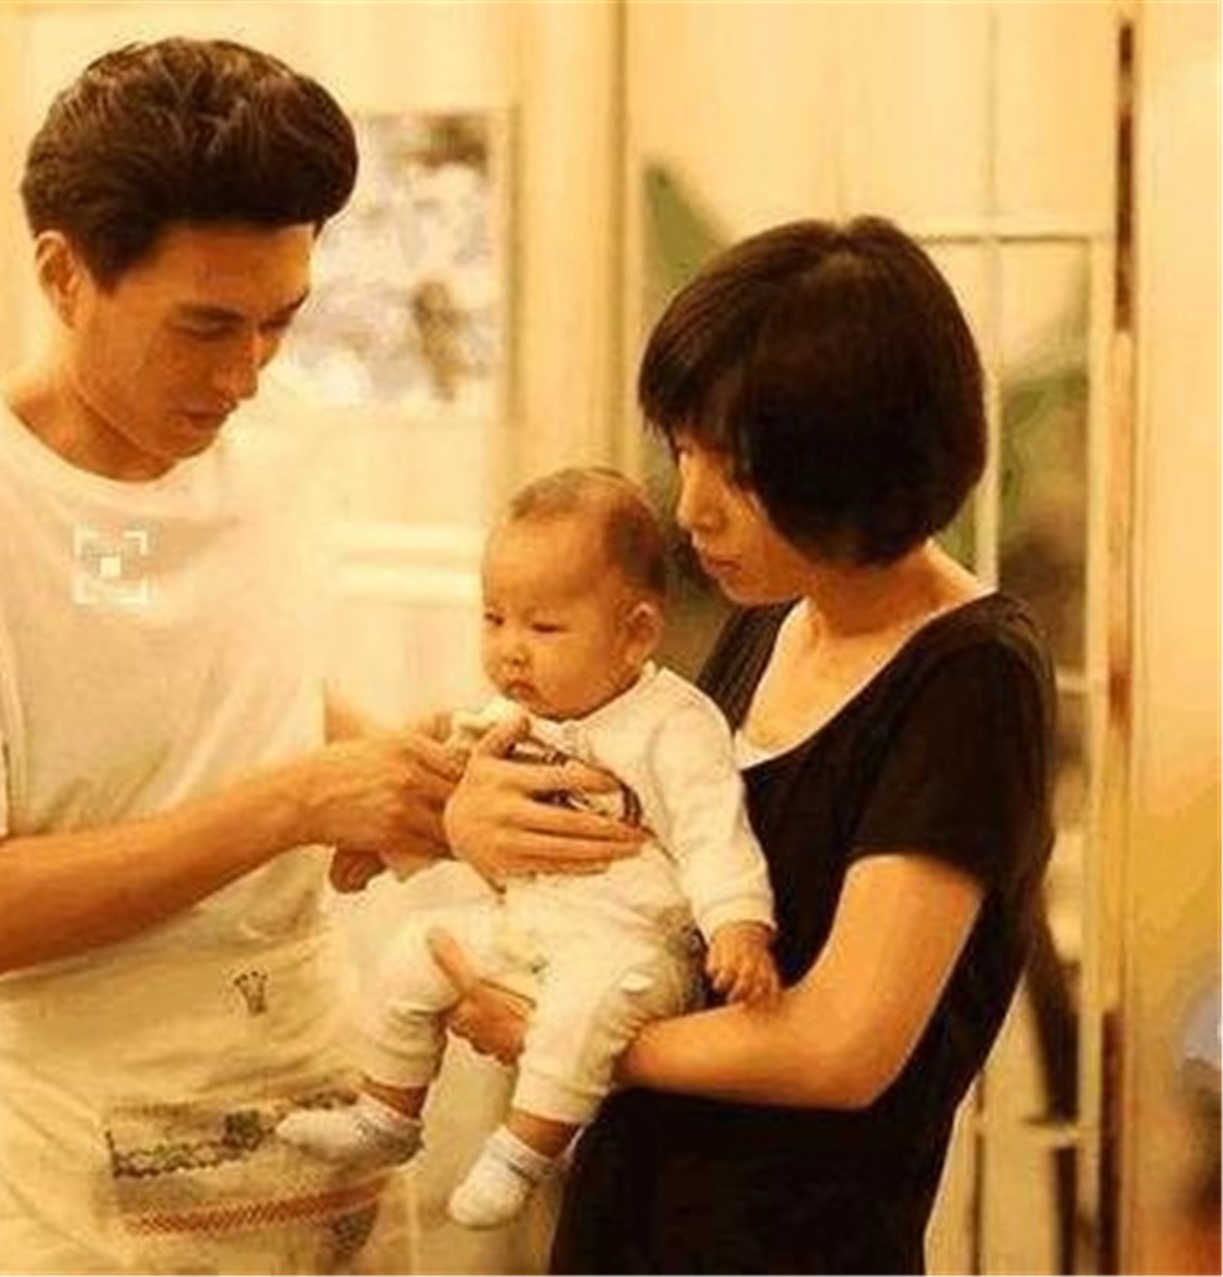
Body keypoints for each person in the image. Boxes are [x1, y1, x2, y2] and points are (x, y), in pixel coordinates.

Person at [0, 38, 636, 1274]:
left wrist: (423, 779)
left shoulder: (276, 446)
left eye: (279, 323)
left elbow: (242, 689)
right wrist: (299, 803)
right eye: (204, 326)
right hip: (68, 1126)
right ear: (64, 274)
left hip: (299, 1061)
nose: (246, 373)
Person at [438, 216, 1057, 1273]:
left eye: (738, 470)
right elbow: (653, 871)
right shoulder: (774, 618)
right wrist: (476, 820)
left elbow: (840, 1045)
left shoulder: (970, 674)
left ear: (853, 459)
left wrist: (572, 1038)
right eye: (684, 451)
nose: (693, 509)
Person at [277, 467, 778, 1229]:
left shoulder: (674, 725)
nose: (511, 651)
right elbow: (444, 785)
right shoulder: (511, 716)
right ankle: (386, 1116)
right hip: (530, 930)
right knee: (415, 949)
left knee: (582, 1011)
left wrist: (739, 924)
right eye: (494, 619)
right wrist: (381, 852)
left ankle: (522, 1153)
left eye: (543, 629)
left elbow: (715, 832)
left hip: (634, 947)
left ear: (635, 634)